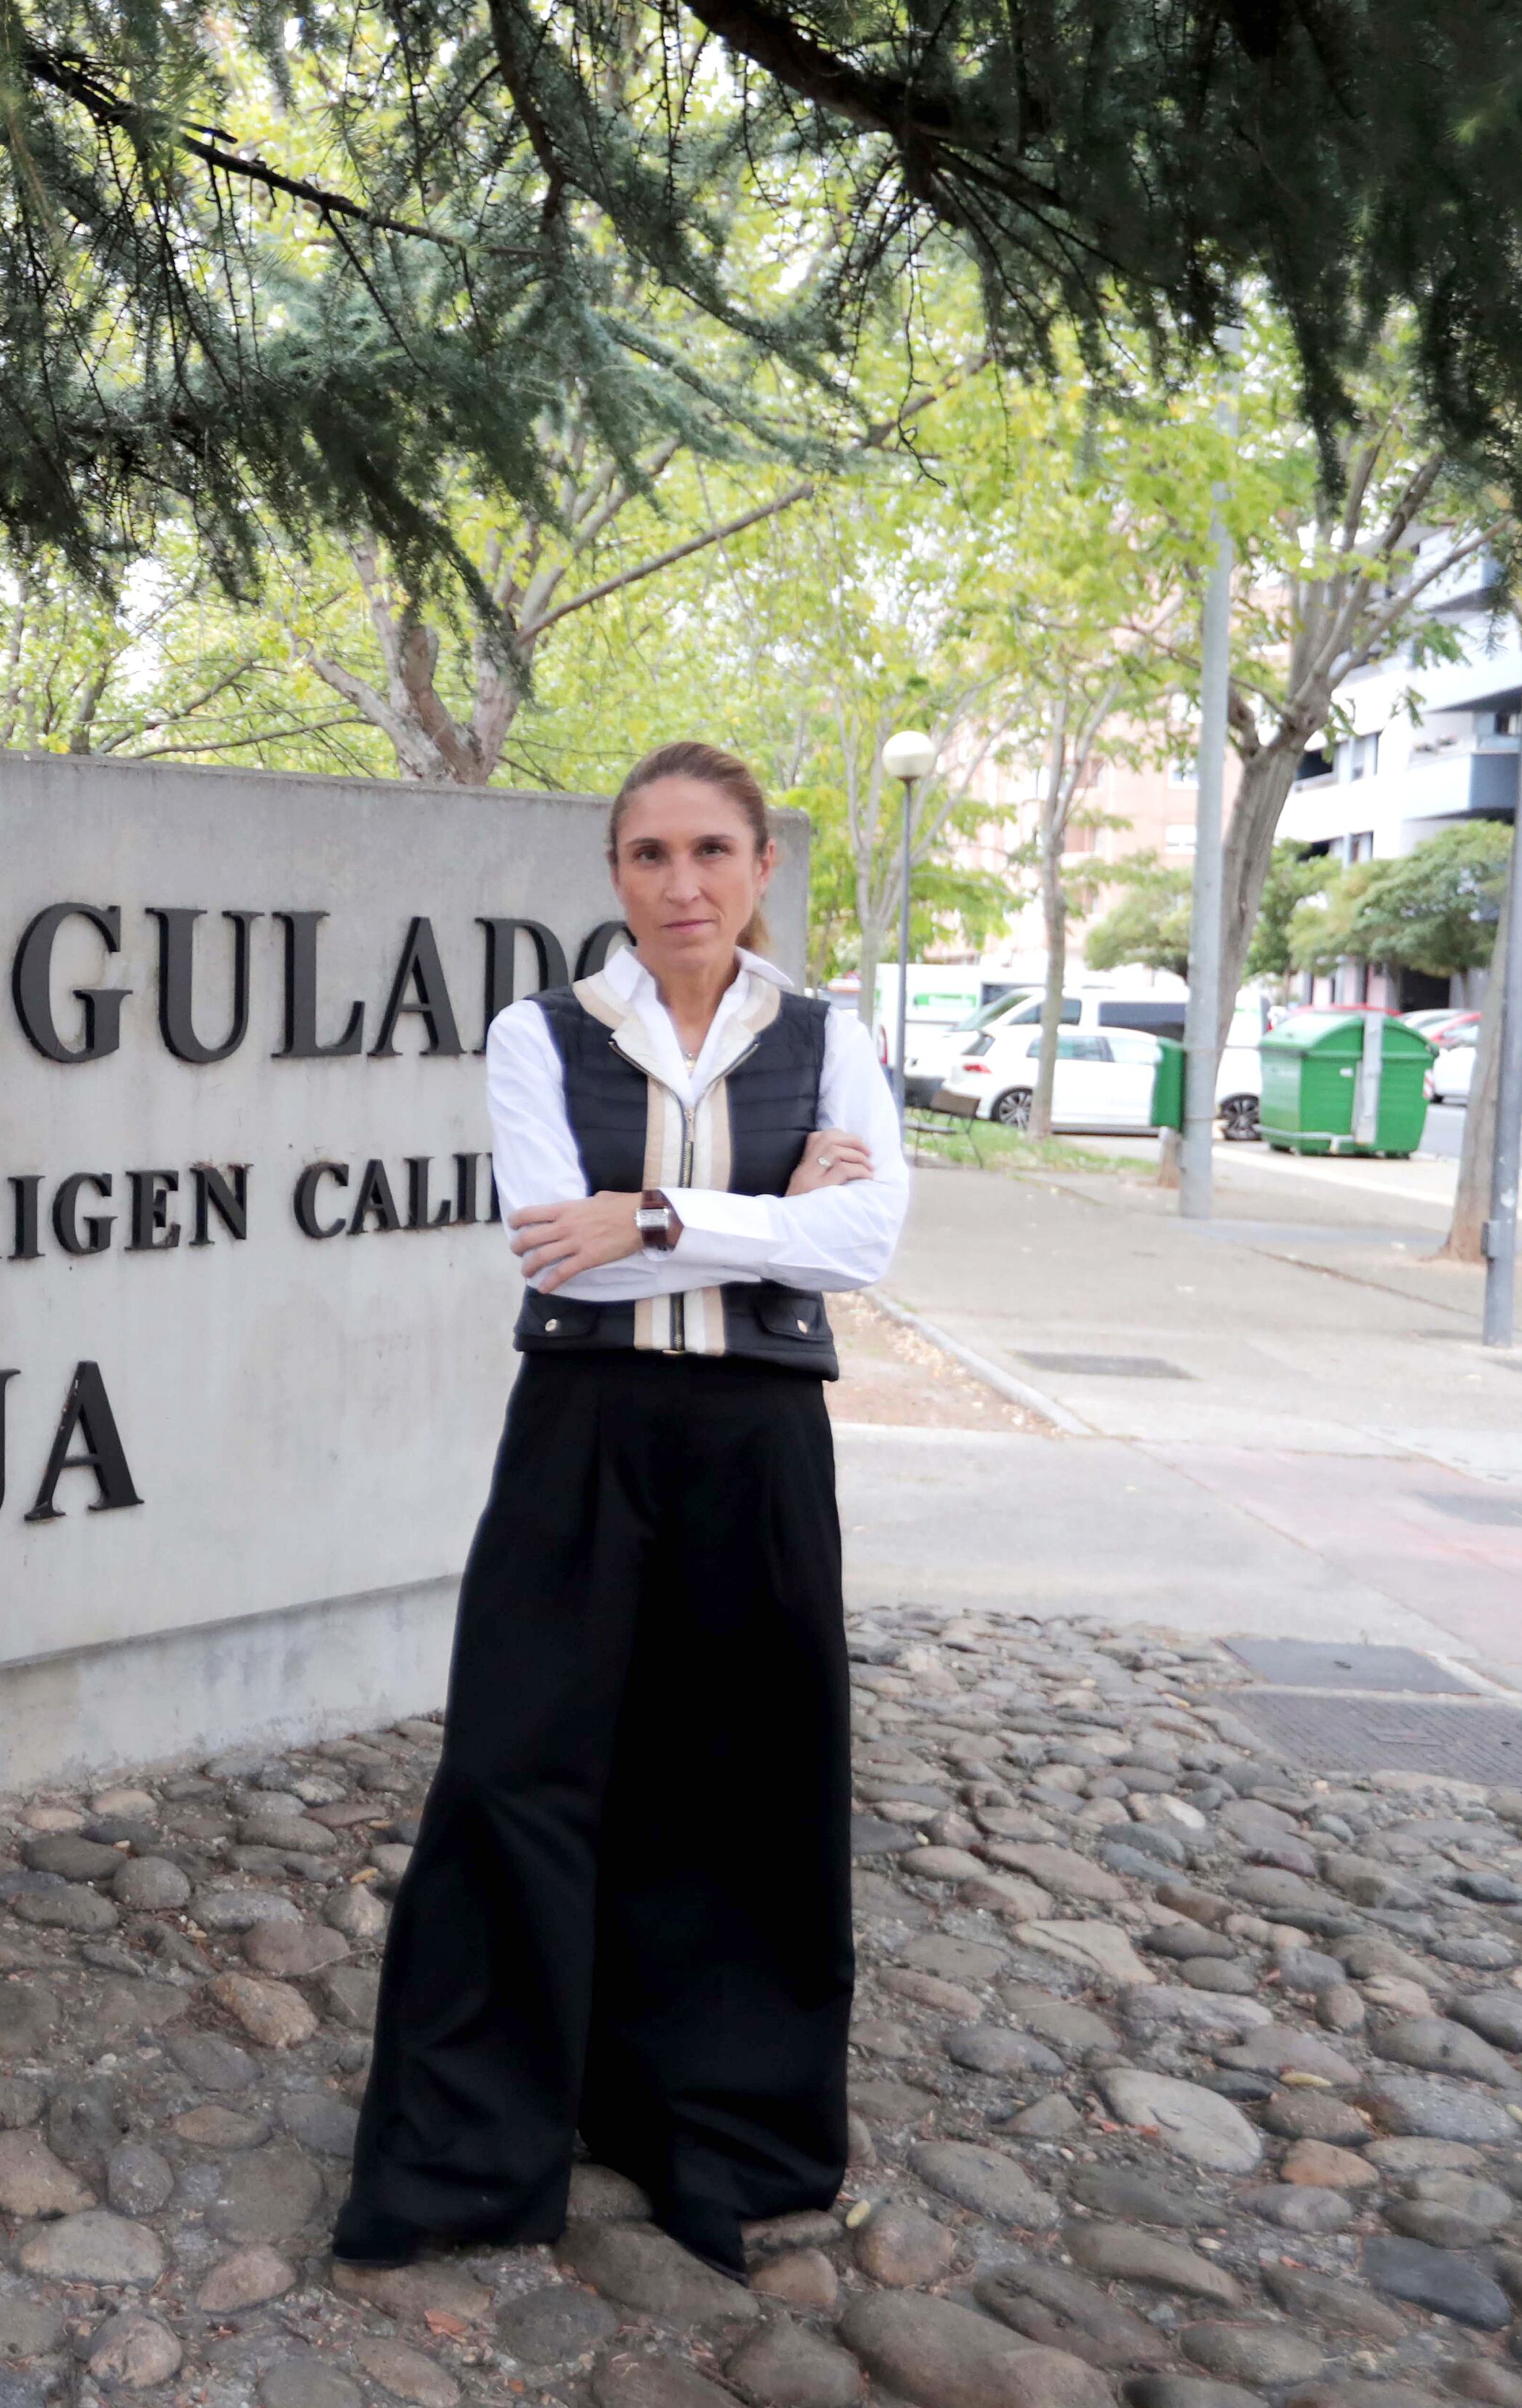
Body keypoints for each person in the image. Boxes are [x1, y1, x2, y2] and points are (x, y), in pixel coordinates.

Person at [330, 739, 909, 2279]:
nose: (682, 882)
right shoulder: (540, 1032)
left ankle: (716, 2128)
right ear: (615, 874)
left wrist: (647, 1211)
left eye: (712, 850)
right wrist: (772, 1215)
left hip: (760, 1442)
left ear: (761, 865)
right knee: (514, 1765)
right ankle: (473, 2149)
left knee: (744, 1779)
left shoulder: (831, 1036)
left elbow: (865, 1243)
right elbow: (554, 1252)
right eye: (650, 853)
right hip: (582, 1430)